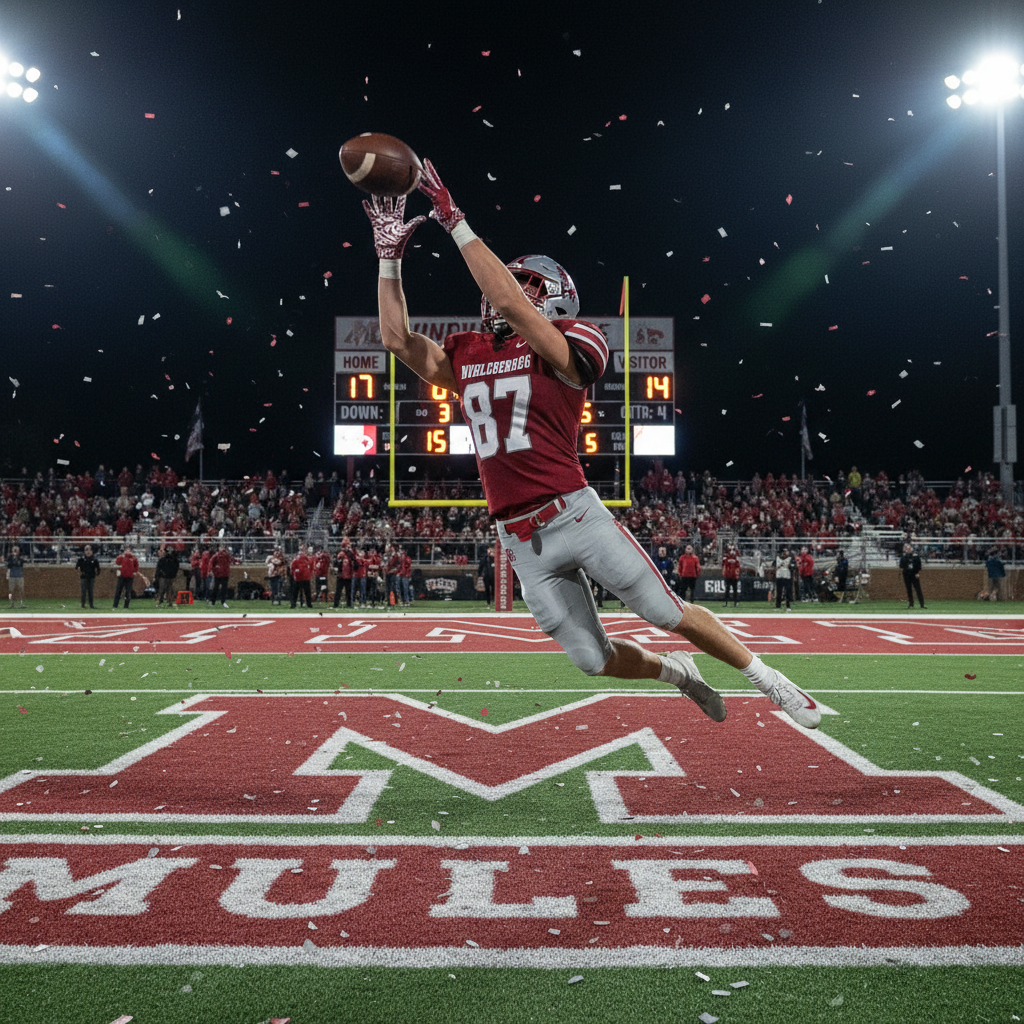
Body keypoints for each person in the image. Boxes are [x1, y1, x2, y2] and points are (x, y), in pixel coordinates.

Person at [359, 163, 820, 729]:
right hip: (517, 536)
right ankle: (679, 674)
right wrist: (389, 258)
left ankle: (771, 681)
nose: (509, 288)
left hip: (574, 513)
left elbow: (509, 305)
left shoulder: (577, 339)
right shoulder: (469, 351)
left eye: (527, 282)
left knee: (663, 610)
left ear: (553, 297)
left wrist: (454, 221)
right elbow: (395, 339)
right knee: (590, 659)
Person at [899, 542, 925, 609]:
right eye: (907, 548)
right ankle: (911, 603)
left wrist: (917, 572)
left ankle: (922, 604)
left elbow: (919, 566)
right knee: (909, 589)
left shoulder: (916, 557)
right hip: (906, 575)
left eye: (909, 548)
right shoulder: (904, 558)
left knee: (918, 589)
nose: (909, 550)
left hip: (914, 574)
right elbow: (901, 566)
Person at [154, 543, 180, 607]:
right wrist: (159, 575)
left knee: (170, 589)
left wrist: (174, 574)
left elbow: (176, 567)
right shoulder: (163, 559)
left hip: (171, 576)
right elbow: (158, 568)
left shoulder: (174, 559)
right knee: (162, 589)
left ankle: (170, 602)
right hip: (163, 576)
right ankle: (160, 601)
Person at [76, 543, 101, 609]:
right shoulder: (81, 559)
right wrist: (80, 573)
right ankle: (83, 604)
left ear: (92, 551)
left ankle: (91, 605)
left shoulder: (94, 560)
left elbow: (98, 569)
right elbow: (77, 568)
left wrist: (96, 573)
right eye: (86, 550)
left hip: (91, 577)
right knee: (83, 591)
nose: (88, 551)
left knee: (91, 591)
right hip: (84, 577)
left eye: (89, 550)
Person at [113, 545, 139, 609]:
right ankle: (115, 605)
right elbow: (117, 563)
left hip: (129, 577)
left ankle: (126, 606)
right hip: (122, 576)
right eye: (126, 550)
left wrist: (135, 572)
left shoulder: (133, 558)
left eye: (129, 551)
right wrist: (121, 557)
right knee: (118, 591)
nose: (127, 552)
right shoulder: (121, 557)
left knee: (128, 592)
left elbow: (136, 566)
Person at [209, 543, 233, 607]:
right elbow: (211, 563)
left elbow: (231, 560)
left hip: (223, 574)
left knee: (220, 588)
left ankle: (217, 601)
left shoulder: (225, 556)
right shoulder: (218, 556)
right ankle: (215, 601)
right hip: (219, 574)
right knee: (217, 588)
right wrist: (211, 570)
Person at [290, 543, 313, 609]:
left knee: (296, 592)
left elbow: (292, 568)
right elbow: (311, 567)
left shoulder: (296, 559)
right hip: (304, 578)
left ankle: (293, 604)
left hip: (299, 578)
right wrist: (309, 574)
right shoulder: (306, 559)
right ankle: (309, 604)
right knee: (307, 592)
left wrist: (294, 574)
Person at [773, 547, 796, 611]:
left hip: (787, 576)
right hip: (779, 575)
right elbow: (774, 565)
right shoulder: (777, 558)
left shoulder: (790, 558)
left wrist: (793, 575)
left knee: (787, 592)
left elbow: (793, 567)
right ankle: (778, 606)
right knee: (779, 592)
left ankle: (788, 606)